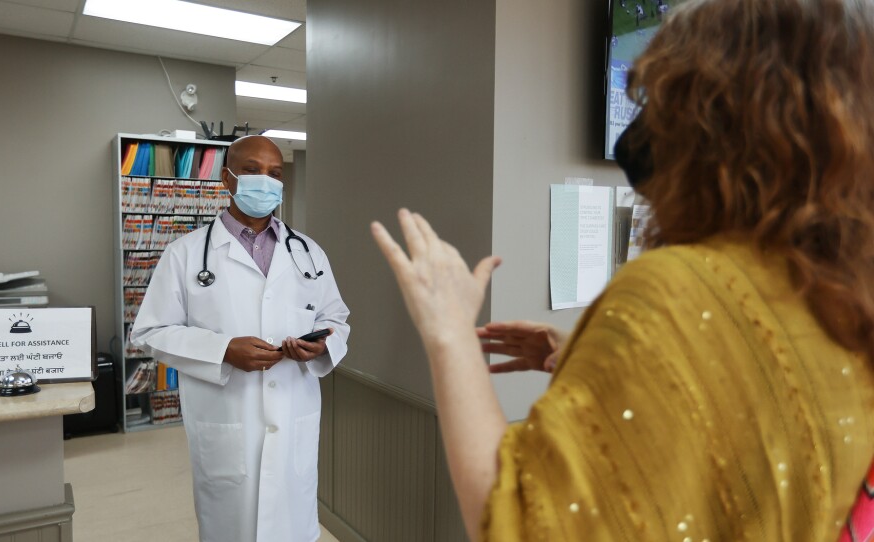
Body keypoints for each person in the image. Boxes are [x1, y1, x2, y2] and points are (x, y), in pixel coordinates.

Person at [371, 0, 874, 540]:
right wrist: (604, 360)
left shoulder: (680, 293)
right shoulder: (846, 297)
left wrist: (449, 332)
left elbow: (521, 525)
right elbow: (758, 423)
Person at [132, 135, 350, 542]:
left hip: (292, 417)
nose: (264, 181)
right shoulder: (185, 254)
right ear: (226, 177)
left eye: (275, 174)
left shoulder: (308, 253)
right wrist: (223, 350)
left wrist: (323, 345)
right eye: (251, 170)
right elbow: (149, 331)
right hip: (227, 420)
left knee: (292, 526)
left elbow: (336, 317)